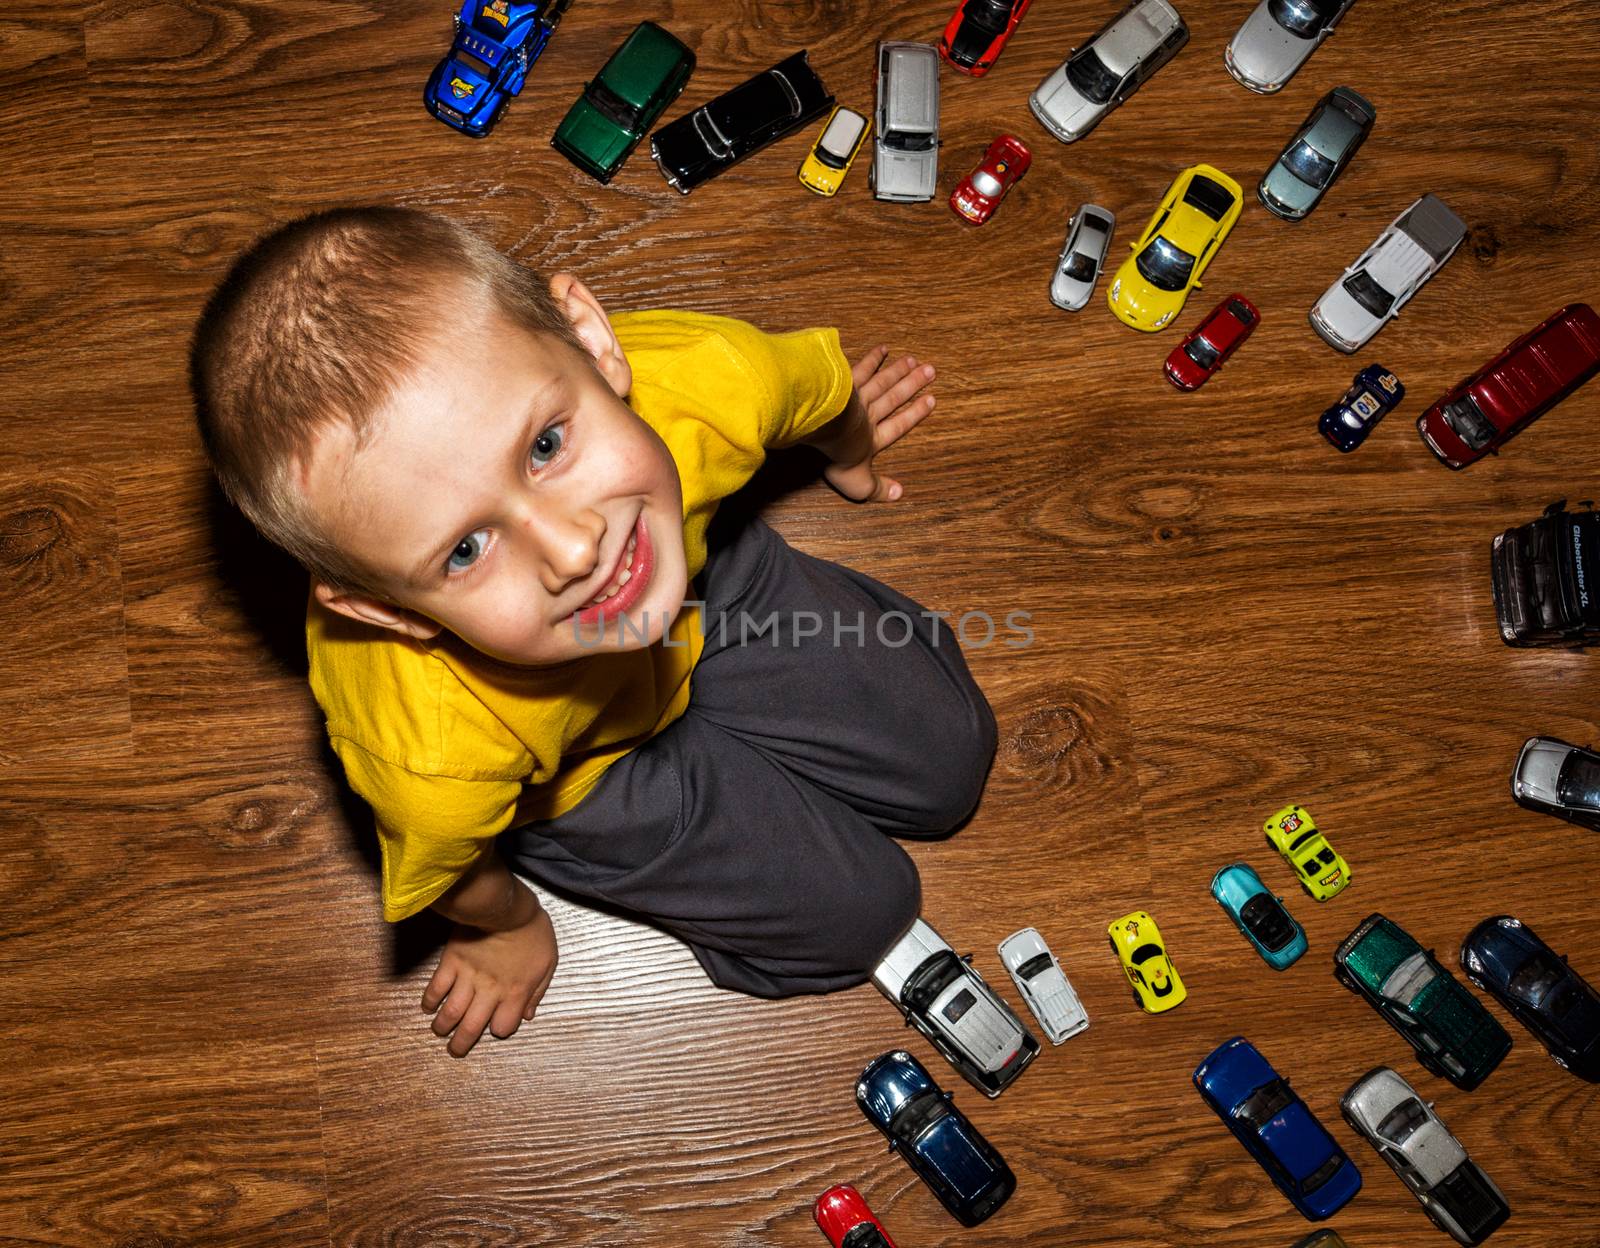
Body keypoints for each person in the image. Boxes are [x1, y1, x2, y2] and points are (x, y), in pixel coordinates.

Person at [190, 206, 998, 1058]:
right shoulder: (428, 755)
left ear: (594, 341)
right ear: (388, 610)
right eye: (464, 549)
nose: (575, 548)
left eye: (543, 446)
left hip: (719, 594)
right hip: (584, 779)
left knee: (952, 757)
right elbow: (456, 870)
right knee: (863, 917)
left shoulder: (707, 379)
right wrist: (504, 928)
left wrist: (849, 446)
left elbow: (812, 389)